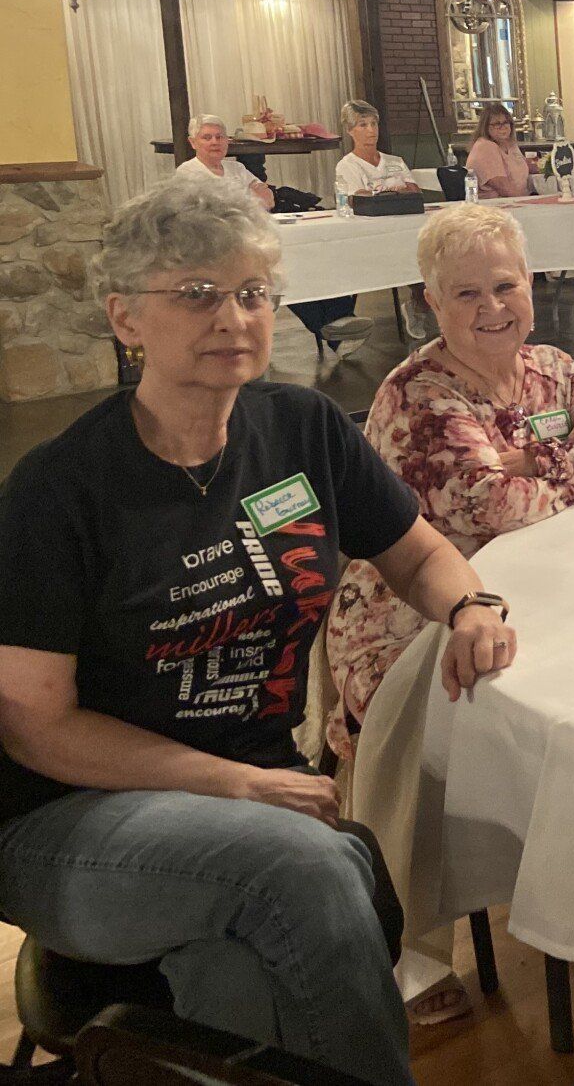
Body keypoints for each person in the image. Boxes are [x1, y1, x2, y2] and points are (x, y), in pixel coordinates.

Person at [0, 180, 521, 1086]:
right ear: (125, 317)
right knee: (299, 867)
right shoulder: (59, 490)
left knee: (243, 964)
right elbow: (34, 725)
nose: (234, 317)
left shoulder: (301, 430)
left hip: (253, 800)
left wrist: (473, 607)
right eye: (196, 294)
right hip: (69, 820)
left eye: (251, 294)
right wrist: (234, 784)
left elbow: (420, 553)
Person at [324, 203, 574, 1021]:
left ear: (528, 282)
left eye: (504, 285)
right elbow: (492, 500)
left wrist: (532, 459)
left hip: (552, 578)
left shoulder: (554, 368)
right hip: (412, 612)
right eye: (465, 294)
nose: (491, 308)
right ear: (431, 304)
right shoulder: (419, 394)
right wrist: (567, 464)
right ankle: (408, 944)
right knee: (464, 690)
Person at [173, 114, 272, 211]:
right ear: (193, 142)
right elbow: (207, 210)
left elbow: (266, 198)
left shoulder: (237, 168)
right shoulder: (187, 171)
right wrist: (250, 199)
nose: (215, 142)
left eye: (219, 137)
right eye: (207, 138)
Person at [335, 99, 419, 198]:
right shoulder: (347, 165)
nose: (371, 130)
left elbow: (415, 192)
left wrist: (377, 193)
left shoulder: (396, 161)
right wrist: (397, 191)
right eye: (363, 125)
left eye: (373, 124)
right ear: (350, 130)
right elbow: (358, 198)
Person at [465, 103, 536, 199]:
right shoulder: (485, 146)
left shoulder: (511, 145)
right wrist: (531, 200)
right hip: (495, 205)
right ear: (486, 126)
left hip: (517, 199)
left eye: (506, 122)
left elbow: (521, 166)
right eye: (497, 124)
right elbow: (503, 188)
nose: (503, 127)